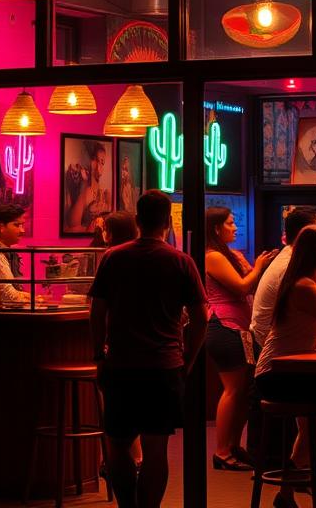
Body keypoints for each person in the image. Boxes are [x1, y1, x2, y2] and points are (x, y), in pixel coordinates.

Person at [89, 190, 208, 508]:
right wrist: (189, 359)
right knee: (156, 451)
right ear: (168, 222)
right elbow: (201, 317)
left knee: (118, 446)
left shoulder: (114, 258)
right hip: (164, 367)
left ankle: (127, 506)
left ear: (138, 221)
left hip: (121, 365)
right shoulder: (181, 262)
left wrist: (99, 355)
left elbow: (97, 312)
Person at [254, 225, 316, 471]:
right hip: (275, 374)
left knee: (315, 425)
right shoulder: (305, 287)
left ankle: (291, 488)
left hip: (290, 370)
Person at [204, 207, 278, 470]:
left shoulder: (230, 254)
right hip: (224, 326)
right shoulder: (212, 256)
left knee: (245, 390)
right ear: (216, 228)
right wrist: (259, 266)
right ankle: (222, 451)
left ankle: (235, 445)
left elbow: (252, 282)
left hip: (240, 328)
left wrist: (256, 268)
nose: (235, 228)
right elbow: (241, 286)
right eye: (230, 223)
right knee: (233, 390)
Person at [251, 206, 316, 347]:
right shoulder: (291, 265)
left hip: (271, 337)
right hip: (270, 343)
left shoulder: (292, 255)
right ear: (305, 234)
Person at [65, 140, 111, 233]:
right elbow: (71, 226)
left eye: (102, 162)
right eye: (95, 160)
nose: (98, 166)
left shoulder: (106, 193)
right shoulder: (83, 188)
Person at [0, 202, 29, 307]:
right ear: (0, 227)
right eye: (17, 225)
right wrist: (33, 298)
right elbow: (9, 296)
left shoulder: (9, 253)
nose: (22, 230)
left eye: (22, 225)